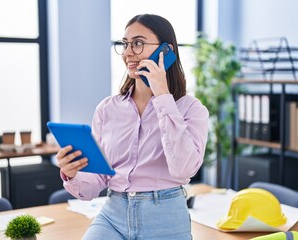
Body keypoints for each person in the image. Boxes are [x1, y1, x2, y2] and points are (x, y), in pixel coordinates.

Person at [56, 14, 209, 240]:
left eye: (138, 43)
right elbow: (94, 183)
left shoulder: (190, 109)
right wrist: (72, 174)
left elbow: (183, 170)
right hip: (113, 215)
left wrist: (163, 96)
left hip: (165, 218)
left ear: (166, 50)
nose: (128, 52)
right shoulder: (107, 109)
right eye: (125, 44)